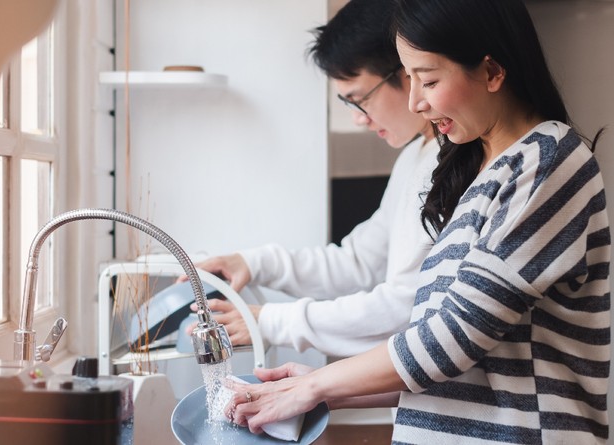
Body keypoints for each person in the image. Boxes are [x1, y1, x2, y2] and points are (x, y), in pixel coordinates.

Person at [226, 0, 611, 443]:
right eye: (409, 81)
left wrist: (316, 382)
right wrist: (325, 392)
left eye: (427, 80)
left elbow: (454, 337)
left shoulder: (546, 162)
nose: (416, 102)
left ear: (491, 71)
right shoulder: (470, 171)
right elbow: (454, 366)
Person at [185, 0, 439, 358]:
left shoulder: (450, 165)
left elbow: (404, 306)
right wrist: (255, 262)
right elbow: (360, 263)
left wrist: (270, 321)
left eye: (359, 99)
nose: (359, 118)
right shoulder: (415, 157)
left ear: (408, 71)